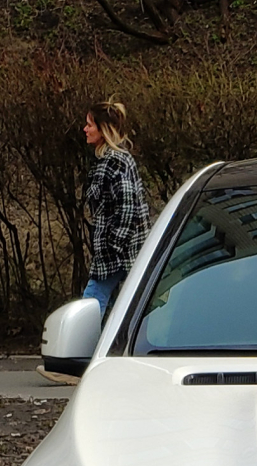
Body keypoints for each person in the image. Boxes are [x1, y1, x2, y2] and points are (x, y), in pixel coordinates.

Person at [81, 100, 151, 315]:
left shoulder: (115, 162)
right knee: (131, 307)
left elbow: (127, 207)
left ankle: (84, 347)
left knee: (91, 302)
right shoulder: (112, 159)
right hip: (122, 252)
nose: (85, 129)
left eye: (90, 125)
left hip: (119, 254)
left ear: (103, 130)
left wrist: (113, 247)